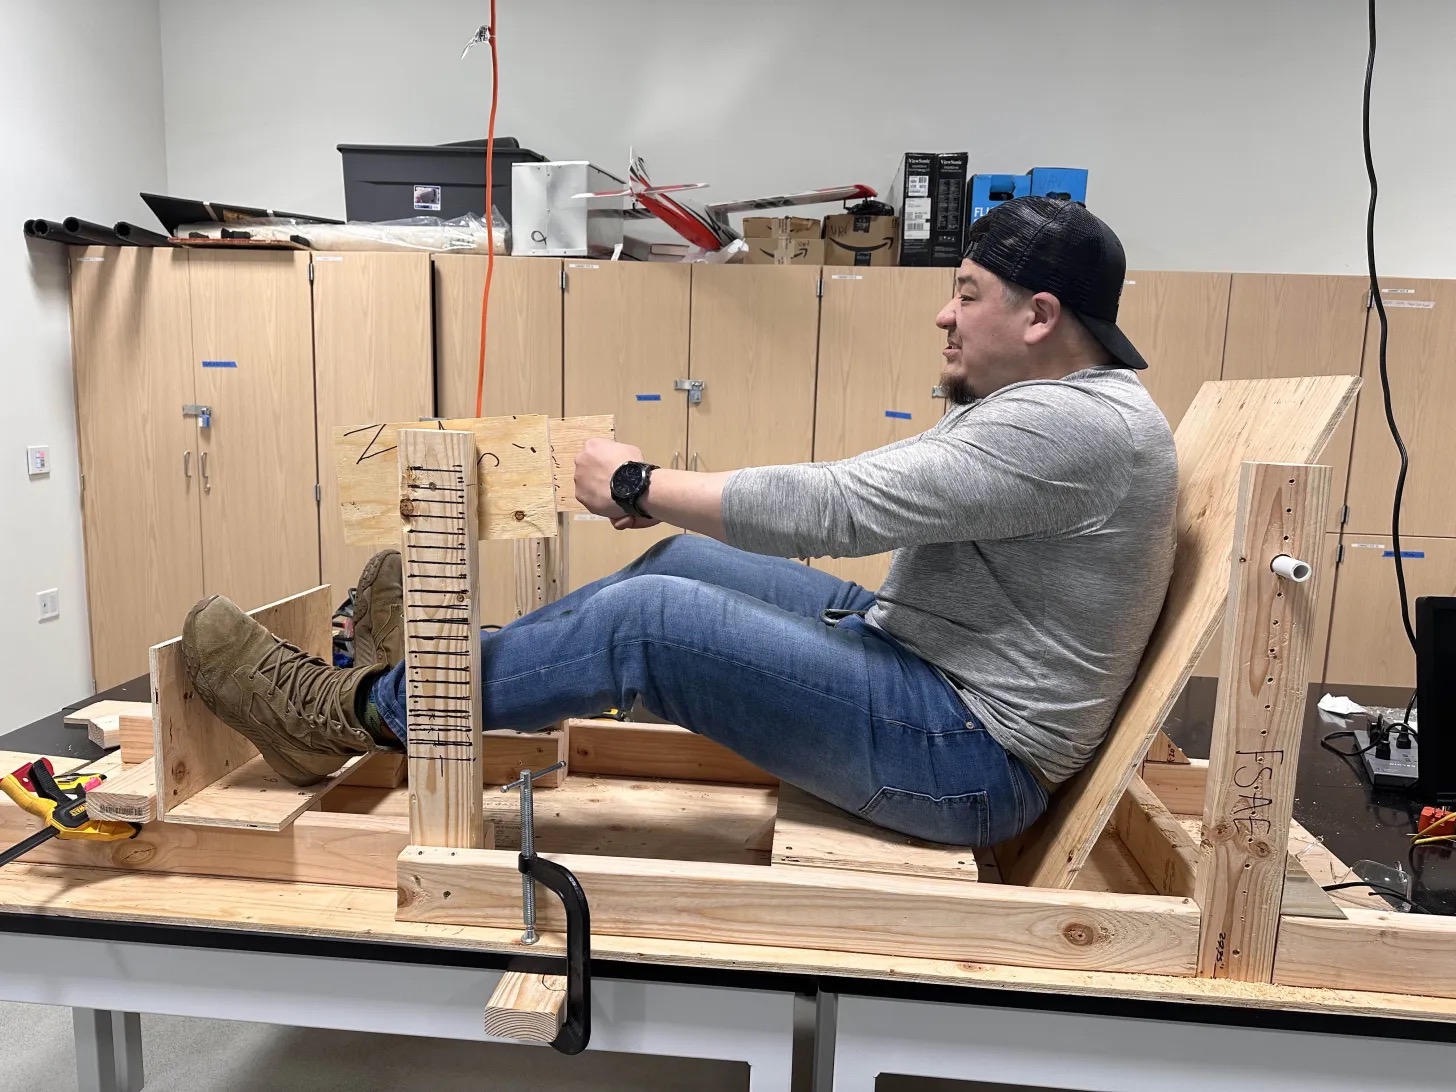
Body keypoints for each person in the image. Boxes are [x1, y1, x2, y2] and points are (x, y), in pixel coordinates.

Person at [180, 196, 1177, 849]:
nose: (943, 318)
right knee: (684, 560)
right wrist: (662, 506)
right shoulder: (1077, 412)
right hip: (925, 678)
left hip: (963, 758)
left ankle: (339, 717)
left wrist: (640, 479)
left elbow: (839, 506)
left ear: (1040, 317)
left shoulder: (1070, 426)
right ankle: (450, 675)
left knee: (647, 622)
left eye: (965, 295)